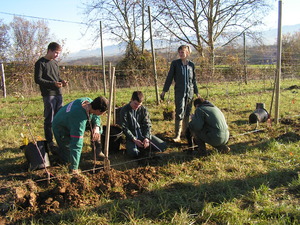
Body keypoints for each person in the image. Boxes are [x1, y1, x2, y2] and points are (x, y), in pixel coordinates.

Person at [52, 96, 108, 174]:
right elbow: (77, 143)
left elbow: (96, 116)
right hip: (61, 128)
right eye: (104, 112)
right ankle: (59, 154)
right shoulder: (79, 119)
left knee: (97, 129)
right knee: (69, 158)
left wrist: (97, 127)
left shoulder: (89, 101)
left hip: (70, 120)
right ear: (99, 110)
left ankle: (97, 151)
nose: (104, 114)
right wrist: (74, 168)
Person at [160, 45, 199, 142]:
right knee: (179, 111)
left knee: (188, 112)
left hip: (189, 92)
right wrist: (164, 91)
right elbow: (169, 77)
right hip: (179, 92)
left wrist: (197, 92)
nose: (181, 54)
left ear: (188, 53)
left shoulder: (191, 65)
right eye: (180, 52)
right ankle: (177, 135)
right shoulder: (175, 64)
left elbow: (194, 80)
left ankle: (185, 133)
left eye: (183, 52)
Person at [34, 42, 68, 150]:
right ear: (49, 50)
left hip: (58, 93)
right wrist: (52, 84)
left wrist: (62, 81)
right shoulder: (40, 63)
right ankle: (50, 141)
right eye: (56, 53)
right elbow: (38, 79)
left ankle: (60, 139)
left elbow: (57, 77)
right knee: (49, 119)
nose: (57, 55)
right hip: (48, 94)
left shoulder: (55, 63)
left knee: (60, 118)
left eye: (58, 53)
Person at [120, 91, 166, 158]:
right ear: (131, 100)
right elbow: (125, 127)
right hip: (132, 137)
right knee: (134, 153)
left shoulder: (143, 109)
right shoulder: (124, 110)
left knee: (163, 146)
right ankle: (137, 147)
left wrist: (147, 138)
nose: (137, 106)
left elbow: (148, 124)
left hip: (143, 134)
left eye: (139, 104)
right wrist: (134, 139)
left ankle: (145, 145)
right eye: (135, 104)